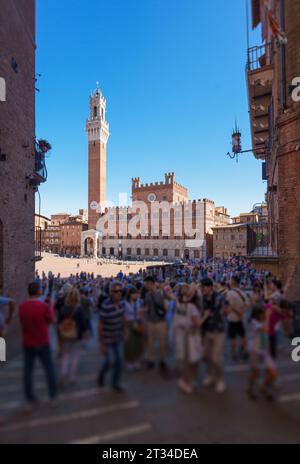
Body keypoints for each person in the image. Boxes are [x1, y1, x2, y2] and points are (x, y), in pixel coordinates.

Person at [19, 282, 57, 413]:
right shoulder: (44, 307)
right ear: (38, 291)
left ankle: (29, 399)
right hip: (42, 341)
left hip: (28, 342)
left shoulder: (22, 306)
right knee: (49, 370)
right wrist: (50, 306)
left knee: (28, 372)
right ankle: (52, 397)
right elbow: (51, 321)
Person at [174, 284, 208, 394]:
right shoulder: (191, 307)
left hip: (182, 336)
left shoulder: (180, 304)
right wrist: (206, 316)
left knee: (187, 361)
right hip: (191, 337)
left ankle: (187, 380)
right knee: (192, 361)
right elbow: (198, 323)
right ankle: (186, 381)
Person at [97, 282, 126, 392]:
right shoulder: (106, 305)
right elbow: (100, 325)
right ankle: (101, 375)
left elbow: (122, 318)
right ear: (110, 293)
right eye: (115, 291)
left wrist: (125, 331)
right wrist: (101, 343)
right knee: (109, 361)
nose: (118, 293)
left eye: (120, 291)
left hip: (118, 337)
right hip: (107, 338)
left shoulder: (122, 303)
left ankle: (115, 383)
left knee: (119, 361)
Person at [58, 287, 88, 385]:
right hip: (76, 335)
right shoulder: (79, 309)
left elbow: (59, 322)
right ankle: (72, 376)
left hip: (65, 334)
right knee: (75, 356)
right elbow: (83, 323)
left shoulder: (63, 309)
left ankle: (63, 372)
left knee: (66, 355)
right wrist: (85, 332)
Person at [247, 304, 277, 401]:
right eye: (263, 313)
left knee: (273, 374)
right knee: (255, 372)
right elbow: (266, 329)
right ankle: (250, 388)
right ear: (258, 314)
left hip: (265, 350)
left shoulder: (262, 320)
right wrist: (268, 316)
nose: (265, 314)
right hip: (255, 350)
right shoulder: (253, 322)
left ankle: (263, 388)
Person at [201, 278, 226, 393]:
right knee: (207, 356)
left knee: (216, 358)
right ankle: (210, 375)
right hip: (207, 331)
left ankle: (220, 379)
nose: (202, 289)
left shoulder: (218, 298)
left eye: (203, 287)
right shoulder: (204, 298)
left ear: (210, 287)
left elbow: (215, 309)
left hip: (218, 331)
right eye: (201, 287)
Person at [144, 276, 169, 371]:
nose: (146, 286)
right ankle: (152, 360)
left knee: (161, 343)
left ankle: (162, 360)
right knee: (150, 342)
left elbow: (167, 304)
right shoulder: (147, 295)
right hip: (151, 321)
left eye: (146, 284)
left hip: (160, 321)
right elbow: (147, 307)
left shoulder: (161, 293)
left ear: (151, 284)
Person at [225, 276, 248, 361]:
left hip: (233, 317)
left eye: (230, 280)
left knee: (233, 337)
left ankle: (233, 353)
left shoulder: (230, 293)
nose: (229, 282)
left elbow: (230, 305)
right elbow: (247, 304)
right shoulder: (242, 292)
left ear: (233, 282)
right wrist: (242, 312)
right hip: (241, 317)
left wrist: (238, 313)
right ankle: (244, 351)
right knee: (242, 335)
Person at [124, 286, 145, 370]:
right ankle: (129, 361)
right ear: (129, 295)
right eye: (134, 294)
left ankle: (136, 359)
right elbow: (124, 316)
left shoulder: (139, 302)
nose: (136, 295)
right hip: (129, 323)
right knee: (130, 343)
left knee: (138, 342)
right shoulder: (125, 303)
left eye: (136, 294)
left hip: (138, 322)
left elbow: (141, 312)